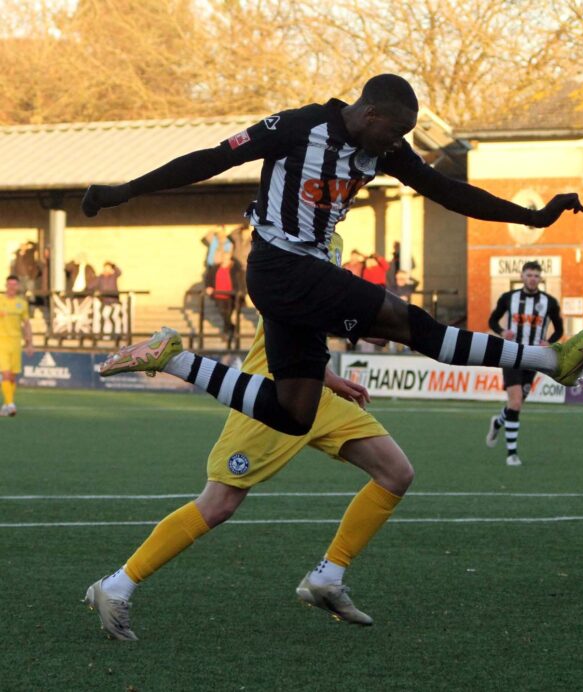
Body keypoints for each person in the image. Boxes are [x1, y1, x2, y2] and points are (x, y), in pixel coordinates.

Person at [82, 73, 583, 437]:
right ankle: (548, 359)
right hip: (281, 265)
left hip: (301, 277)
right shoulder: (295, 127)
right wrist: (124, 191)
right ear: (370, 113)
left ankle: (175, 359)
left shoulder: (386, 150)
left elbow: (448, 191)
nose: (400, 143)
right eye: (396, 131)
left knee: (293, 413)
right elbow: (212, 159)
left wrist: (533, 218)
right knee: (408, 321)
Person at [85, 233, 412, 638]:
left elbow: (304, 327)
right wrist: (367, 320)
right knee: (219, 503)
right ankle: (116, 586)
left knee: (396, 472)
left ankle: (328, 577)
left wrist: (329, 375)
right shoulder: (293, 236)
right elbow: (293, 313)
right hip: (274, 393)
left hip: (312, 390)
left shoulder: (332, 239)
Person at [485, 261, 563, 466]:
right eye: (529, 275)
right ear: (522, 276)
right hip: (511, 354)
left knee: (515, 405)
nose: (532, 279)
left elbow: (559, 329)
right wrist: (502, 332)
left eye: (536, 276)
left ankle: (498, 422)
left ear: (540, 279)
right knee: (516, 401)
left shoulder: (550, 302)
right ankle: (512, 454)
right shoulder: (509, 298)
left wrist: (550, 341)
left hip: (534, 357)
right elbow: (492, 320)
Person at [0, 275, 34, 417]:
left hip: (16, 343)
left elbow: (26, 324)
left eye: (14, 285)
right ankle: (11, 404)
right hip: (2, 342)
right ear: (6, 286)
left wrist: (29, 343)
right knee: (6, 373)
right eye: (9, 284)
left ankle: (6, 405)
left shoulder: (22, 304)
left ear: (18, 286)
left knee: (12, 376)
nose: (12, 287)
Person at [206, 255, 242, 342]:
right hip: (219, 296)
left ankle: (226, 333)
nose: (225, 260)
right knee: (223, 314)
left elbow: (239, 280)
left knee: (228, 314)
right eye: (224, 258)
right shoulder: (215, 269)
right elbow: (209, 279)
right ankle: (232, 328)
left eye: (227, 259)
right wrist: (208, 287)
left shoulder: (234, 269)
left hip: (231, 296)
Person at [93, 261, 123, 336]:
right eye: (105, 268)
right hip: (104, 301)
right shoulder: (100, 277)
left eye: (108, 268)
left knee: (113, 317)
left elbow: (119, 272)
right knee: (102, 317)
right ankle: (102, 334)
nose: (107, 270)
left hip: (114, 301)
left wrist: (114, 265)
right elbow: (92, 285)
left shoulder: (114, 276)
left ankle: (115, 334)